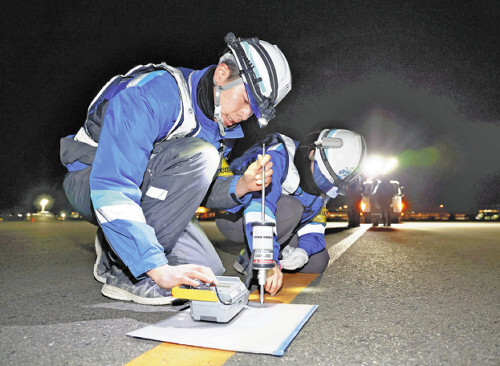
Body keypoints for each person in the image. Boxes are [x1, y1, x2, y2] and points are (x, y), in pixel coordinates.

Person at [59, 32, 292, 305]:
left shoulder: (220, 130)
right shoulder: (155, 94)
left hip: (139, 187)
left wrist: (242, 185)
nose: (244, 115)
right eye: (245, 101)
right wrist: (156, 270)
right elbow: (114, 182)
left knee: (206, 271)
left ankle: (118, 244)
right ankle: (125, 271)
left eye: (253, 112)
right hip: (91, 179)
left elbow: (197, 188)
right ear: (222, 73)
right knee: (202, 156)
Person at [216, 127, 366, 295]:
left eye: (331, 185)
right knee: (292, 208)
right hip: (236, 218)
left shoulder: (329, 184)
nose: (324, 188)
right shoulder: (277, 158)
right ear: (311, 155)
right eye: (323, 180)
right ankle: (254, 261)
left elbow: (315, 226)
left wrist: (303, 251)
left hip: (280, 223)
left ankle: (256, 253)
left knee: (318, 261)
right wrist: (268, 260)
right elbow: (259, 211)